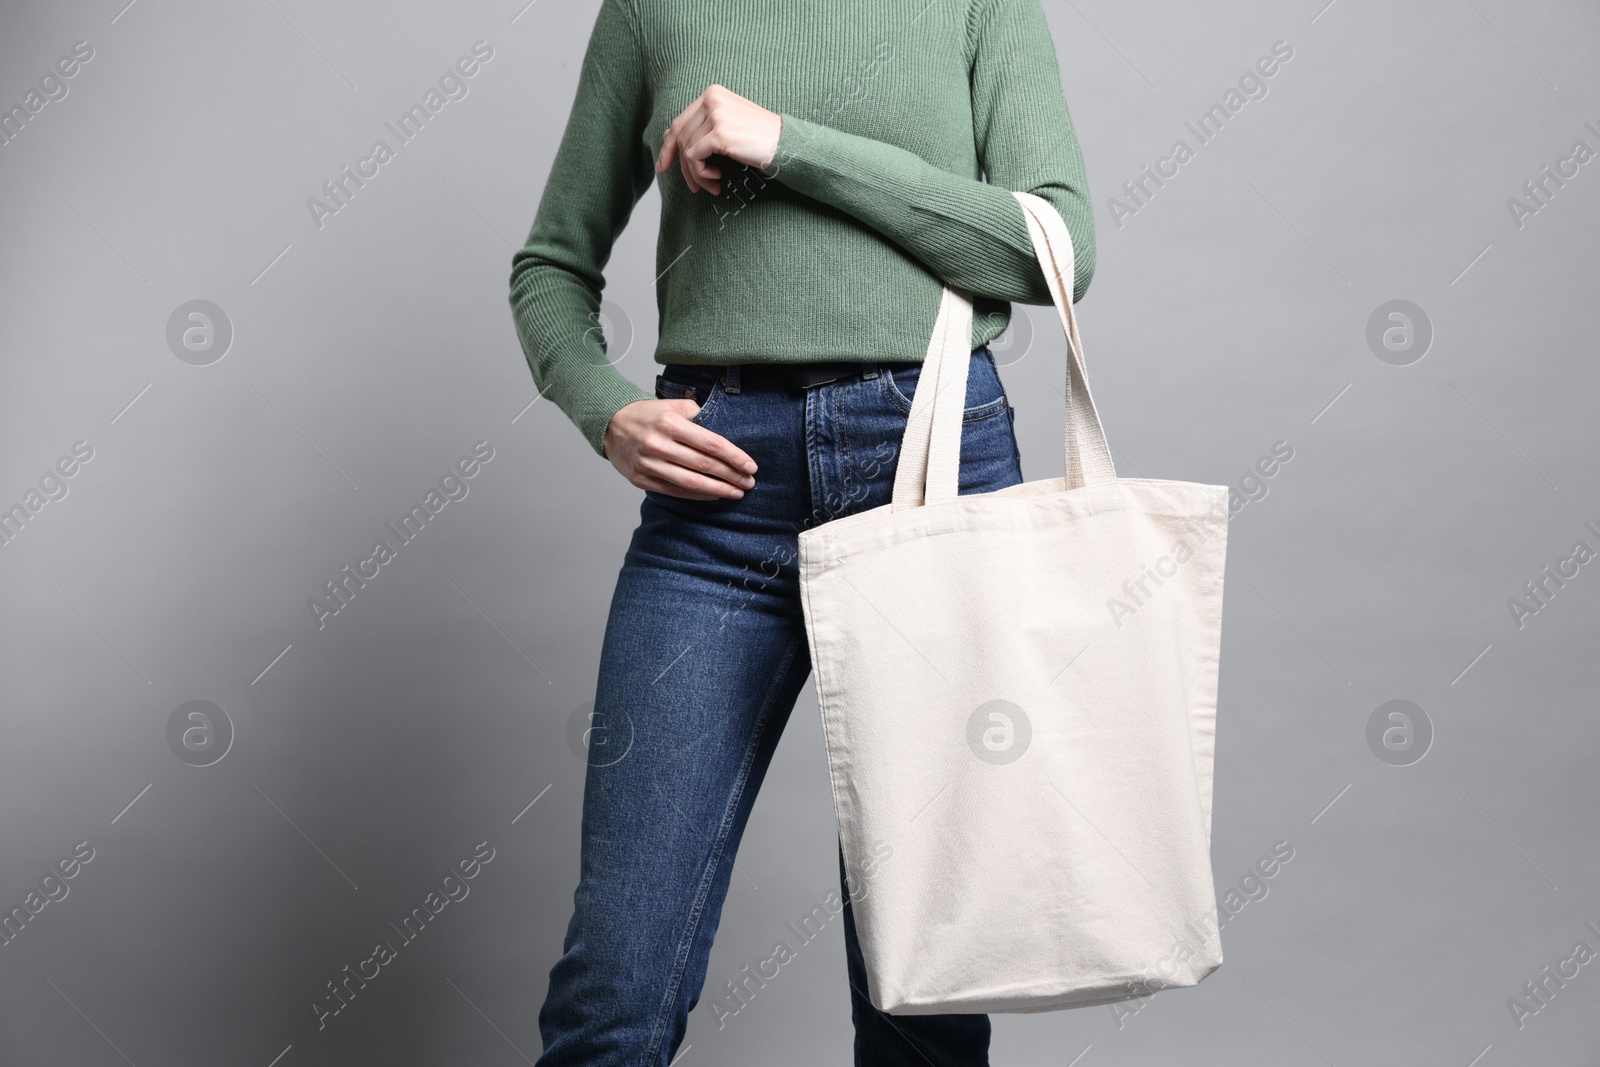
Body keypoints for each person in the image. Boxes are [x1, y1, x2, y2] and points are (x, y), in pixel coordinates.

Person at [508, 1, 1094, 1063]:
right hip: (717, 494)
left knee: (921, 980)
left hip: (932, 471)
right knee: (617, 982)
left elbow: (1053, 246)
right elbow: (550, 264)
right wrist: (605, 409)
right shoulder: (653, 9)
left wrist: (787, 145)